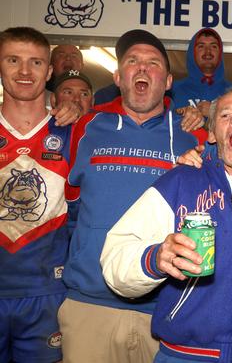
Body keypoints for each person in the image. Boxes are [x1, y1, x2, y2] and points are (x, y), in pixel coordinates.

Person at [100, 89, 232, 363]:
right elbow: (116, 256)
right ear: (211, 133)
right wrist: (155, 259)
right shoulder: (181, 181)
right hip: (185, 356)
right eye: (225, 114)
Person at [59, 29, 199, 362]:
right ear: (118, 76)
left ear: (167, 81)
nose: (142, 68)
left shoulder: (193, 134)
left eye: (153, 63)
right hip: (88, 307)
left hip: (165, 310)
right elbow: (68, 208)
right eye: (132, 61)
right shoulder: (86, 126)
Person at [0, 26, 73, 363]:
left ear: (49, 70)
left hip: (47, 294)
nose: (25, 72)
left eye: (36, 62)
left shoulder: (75, 131)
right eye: (13, 60)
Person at [171, 28, 232, 118]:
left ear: (220, 53)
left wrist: (215, 112)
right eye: (201, 46)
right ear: (192, 53)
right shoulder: (173, 91)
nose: (208, 52)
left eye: (213, 46)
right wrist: (178, 116)